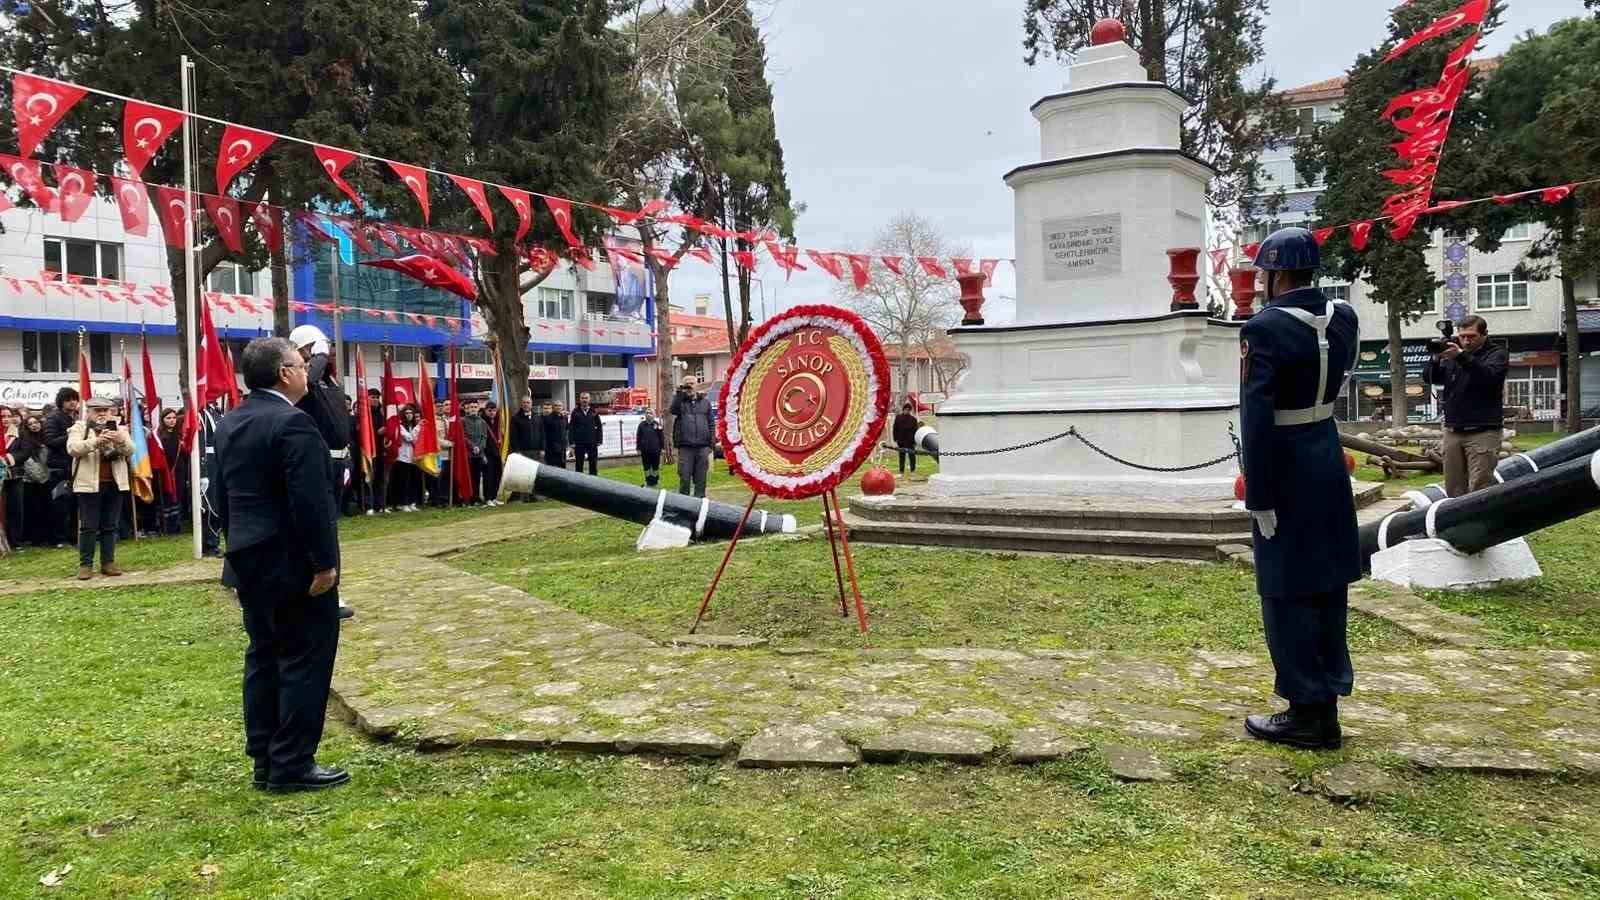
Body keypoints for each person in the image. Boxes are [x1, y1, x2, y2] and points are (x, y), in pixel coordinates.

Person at [1237, 227, 1361, 751]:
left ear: (1278, 275)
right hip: (1326, 456)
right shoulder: (1344, 317)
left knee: (1285, 590)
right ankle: (1326, 699)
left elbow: (1256, 416)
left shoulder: (1264, 328)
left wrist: (1259, 494)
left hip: (1286, 466)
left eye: (1265, 274)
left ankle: (1307, 712)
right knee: (1328, 585)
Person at [213, 337, 346, 793]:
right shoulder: (293, 424)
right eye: (302, 365)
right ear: (284, 374)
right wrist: (324, 564)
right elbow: (310, 502)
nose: (308, 371)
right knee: (305, 658)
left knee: (264, 655)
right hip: (292, 561)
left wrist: (236, 548)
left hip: (248, 556)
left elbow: (223, 497)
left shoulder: (231, 421)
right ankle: (291, 762)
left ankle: (264, 759)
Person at [289, 326, 354, 618]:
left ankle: (330, 590)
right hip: (320, 461)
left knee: (331, 527)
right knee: (322, 528)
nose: (327, 354)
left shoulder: (330, 381)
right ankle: (328, 594)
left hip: (338, 462)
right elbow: (308, 379)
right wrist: (316, 355)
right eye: (319, 349)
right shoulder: (305, 381)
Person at [1423, 314, 1509, 497]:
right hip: (1453, 429)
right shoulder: (1454, 352)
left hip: (1482, 430)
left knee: (1480, 487)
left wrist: (1461, 356)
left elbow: (1488, 377)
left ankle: (1482, 515)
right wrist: (1436, 358)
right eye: (1462, 336)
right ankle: (1456, 515)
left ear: (1485, 334)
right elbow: (1431, 377)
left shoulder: (1496, 353)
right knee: (1453, 486)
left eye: (1471, 336)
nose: (1466, 341)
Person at [66, 397, 136, 579]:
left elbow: (131, 450)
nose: (102, 413)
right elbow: (72, 449)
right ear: (89, 412)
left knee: (110, 525)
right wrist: (96, 442)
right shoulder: (80, 428)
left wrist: (121, 440)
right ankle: (85, 565)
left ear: (111, 412)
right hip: (88, 485)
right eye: (97, 410)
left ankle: (108, 562)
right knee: (88, 527)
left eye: (105, 410)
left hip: (114, 483)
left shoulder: (119, 428)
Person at [43, 387, 80, 548]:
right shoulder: (53, 418)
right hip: (59, 466)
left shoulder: (77, 416)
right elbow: (50, 441)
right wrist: (72, 434)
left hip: (75, 465)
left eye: (75, 399)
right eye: (68, 399)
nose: (72, 402)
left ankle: (74, 536)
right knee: (60, 504)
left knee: (75, 504)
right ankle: (59, 539)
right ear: (61, 401)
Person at [670, 377, 715, 498]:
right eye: (687, 384)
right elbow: (673, 410)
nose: (689, 386)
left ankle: (699, 502)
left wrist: (711, 443)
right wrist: (679, 393)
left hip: (703, 447)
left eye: (692, 383)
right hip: (685, 447)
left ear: (697, 385)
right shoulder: (681, 402)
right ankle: (683, 503)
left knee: (701, 478)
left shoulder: (705, 403)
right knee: (684, 476)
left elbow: (711, 423)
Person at [390, 404, 424, 512]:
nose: (409, 415)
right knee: (404, 482)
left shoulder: (413, 426)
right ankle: (403, 503)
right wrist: (418, 427)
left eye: (411, 413)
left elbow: (418, 439)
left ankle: (411, 502)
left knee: (413, 481)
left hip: (414, 457)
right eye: (407, 413)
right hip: (403, 457)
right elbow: (409, 438)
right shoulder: (400, 426)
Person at [461, 398, 489, 504]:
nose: (473, 409)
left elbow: (484, 437)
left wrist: (480, 448)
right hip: (468, 454)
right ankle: (467, 498)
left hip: (479, 454)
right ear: (468, 408)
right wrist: (473, 447)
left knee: (477, 477)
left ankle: (476, 498)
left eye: (475, 407)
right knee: (468, 477)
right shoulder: (463, 421)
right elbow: (463, 436)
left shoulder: (482, 422)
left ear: (478, 408)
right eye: (471, 407)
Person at [569, 391, 603, 476]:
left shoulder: (594, 412)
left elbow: (599, 426)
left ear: (589, 399)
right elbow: (571, 428)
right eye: (582, 398)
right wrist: (572, 442)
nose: (584, 400)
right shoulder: (575, 412)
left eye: (586, 398)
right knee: (579, 464)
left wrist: (599, 440)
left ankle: (593, 481)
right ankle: (579, 481)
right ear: (580, 399)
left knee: (593, 464)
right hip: (579, 443)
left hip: (592, 442)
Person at [480, 401, 503, 505]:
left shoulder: (499, 421)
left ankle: (494, 497)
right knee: (488, 476)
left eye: (494, 410)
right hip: (487, 452)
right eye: (490, 410)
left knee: (497, 475)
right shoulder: (482, 421)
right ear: (485, 411)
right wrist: (483, 454)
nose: (492, 412)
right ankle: (488, 498)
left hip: (497, 452)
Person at [637, 409, 665, 487]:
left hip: (655, 450)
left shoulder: (657, 425)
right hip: (645, 450)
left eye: (651, 413)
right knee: (646, 467)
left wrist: (663, 448)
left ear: (654, 415)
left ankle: (655, 482)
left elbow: (661, 437)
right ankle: (648, 481)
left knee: (655, 467)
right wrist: (638, 448)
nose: (649, 414)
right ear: (645, 415)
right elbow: (638, 437)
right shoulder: (641, 425)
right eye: (647, 413)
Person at [893, 402, 921, 475]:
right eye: (906, 409)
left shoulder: (913, 419)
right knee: (902, 456)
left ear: (910, 410)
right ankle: (901, 471)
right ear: (903, 409)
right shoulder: (898, 418)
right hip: (901, 440)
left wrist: (915, 441)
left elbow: (916, 431)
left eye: (908, 410)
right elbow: (895, 428)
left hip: (910, 441)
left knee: (912, 456)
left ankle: (913, 470)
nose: (907, 411)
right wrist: (895, 438)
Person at [540, 400, 568, 470]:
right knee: (551, 471)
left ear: (562, 407)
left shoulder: (564, 418)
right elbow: (544, 435)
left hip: (562, 450)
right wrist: (543, 449)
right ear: (553, 407)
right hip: (551, 450)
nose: (558, 407)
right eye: (556, 405)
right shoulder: (547, 419)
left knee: (562, 470)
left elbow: (566, 432)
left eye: (560, 405)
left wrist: (567, 445)